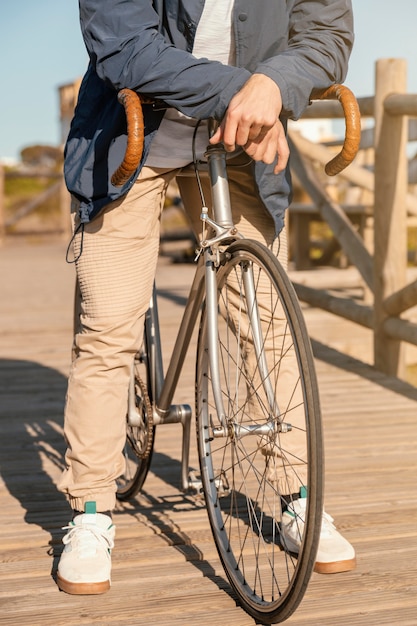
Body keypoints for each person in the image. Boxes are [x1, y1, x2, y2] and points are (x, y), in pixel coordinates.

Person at [57, 0, 356, 595]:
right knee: (109, 329)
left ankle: (298, 495)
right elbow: (120, 43)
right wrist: (246, 88)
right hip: (136, 137)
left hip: (247, 139)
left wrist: (275, 84)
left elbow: (327, 35)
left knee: (266, 321)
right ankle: (90, 509)